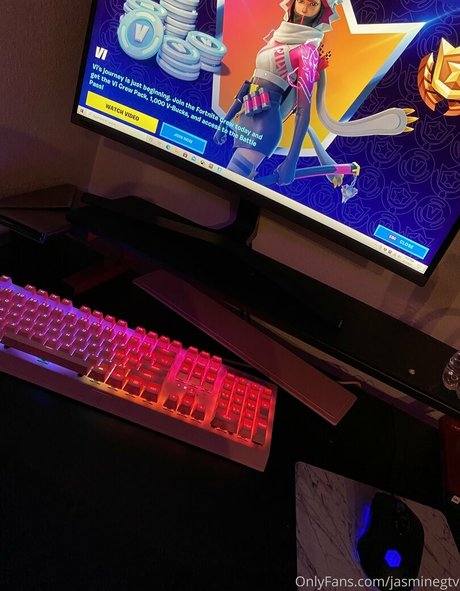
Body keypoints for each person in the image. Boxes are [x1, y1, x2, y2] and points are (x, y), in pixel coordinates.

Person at [213, 0, 414, 187]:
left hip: (263, 125)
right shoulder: (277, 37)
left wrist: (291, 162)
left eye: (313, 3)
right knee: (234, 182)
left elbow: (303, 111)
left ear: (322, 9)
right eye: (301, 0)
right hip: (247, 115)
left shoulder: (307, 52)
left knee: (230, 183)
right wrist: (225, 122)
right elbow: (249, 85)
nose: (305, 7)